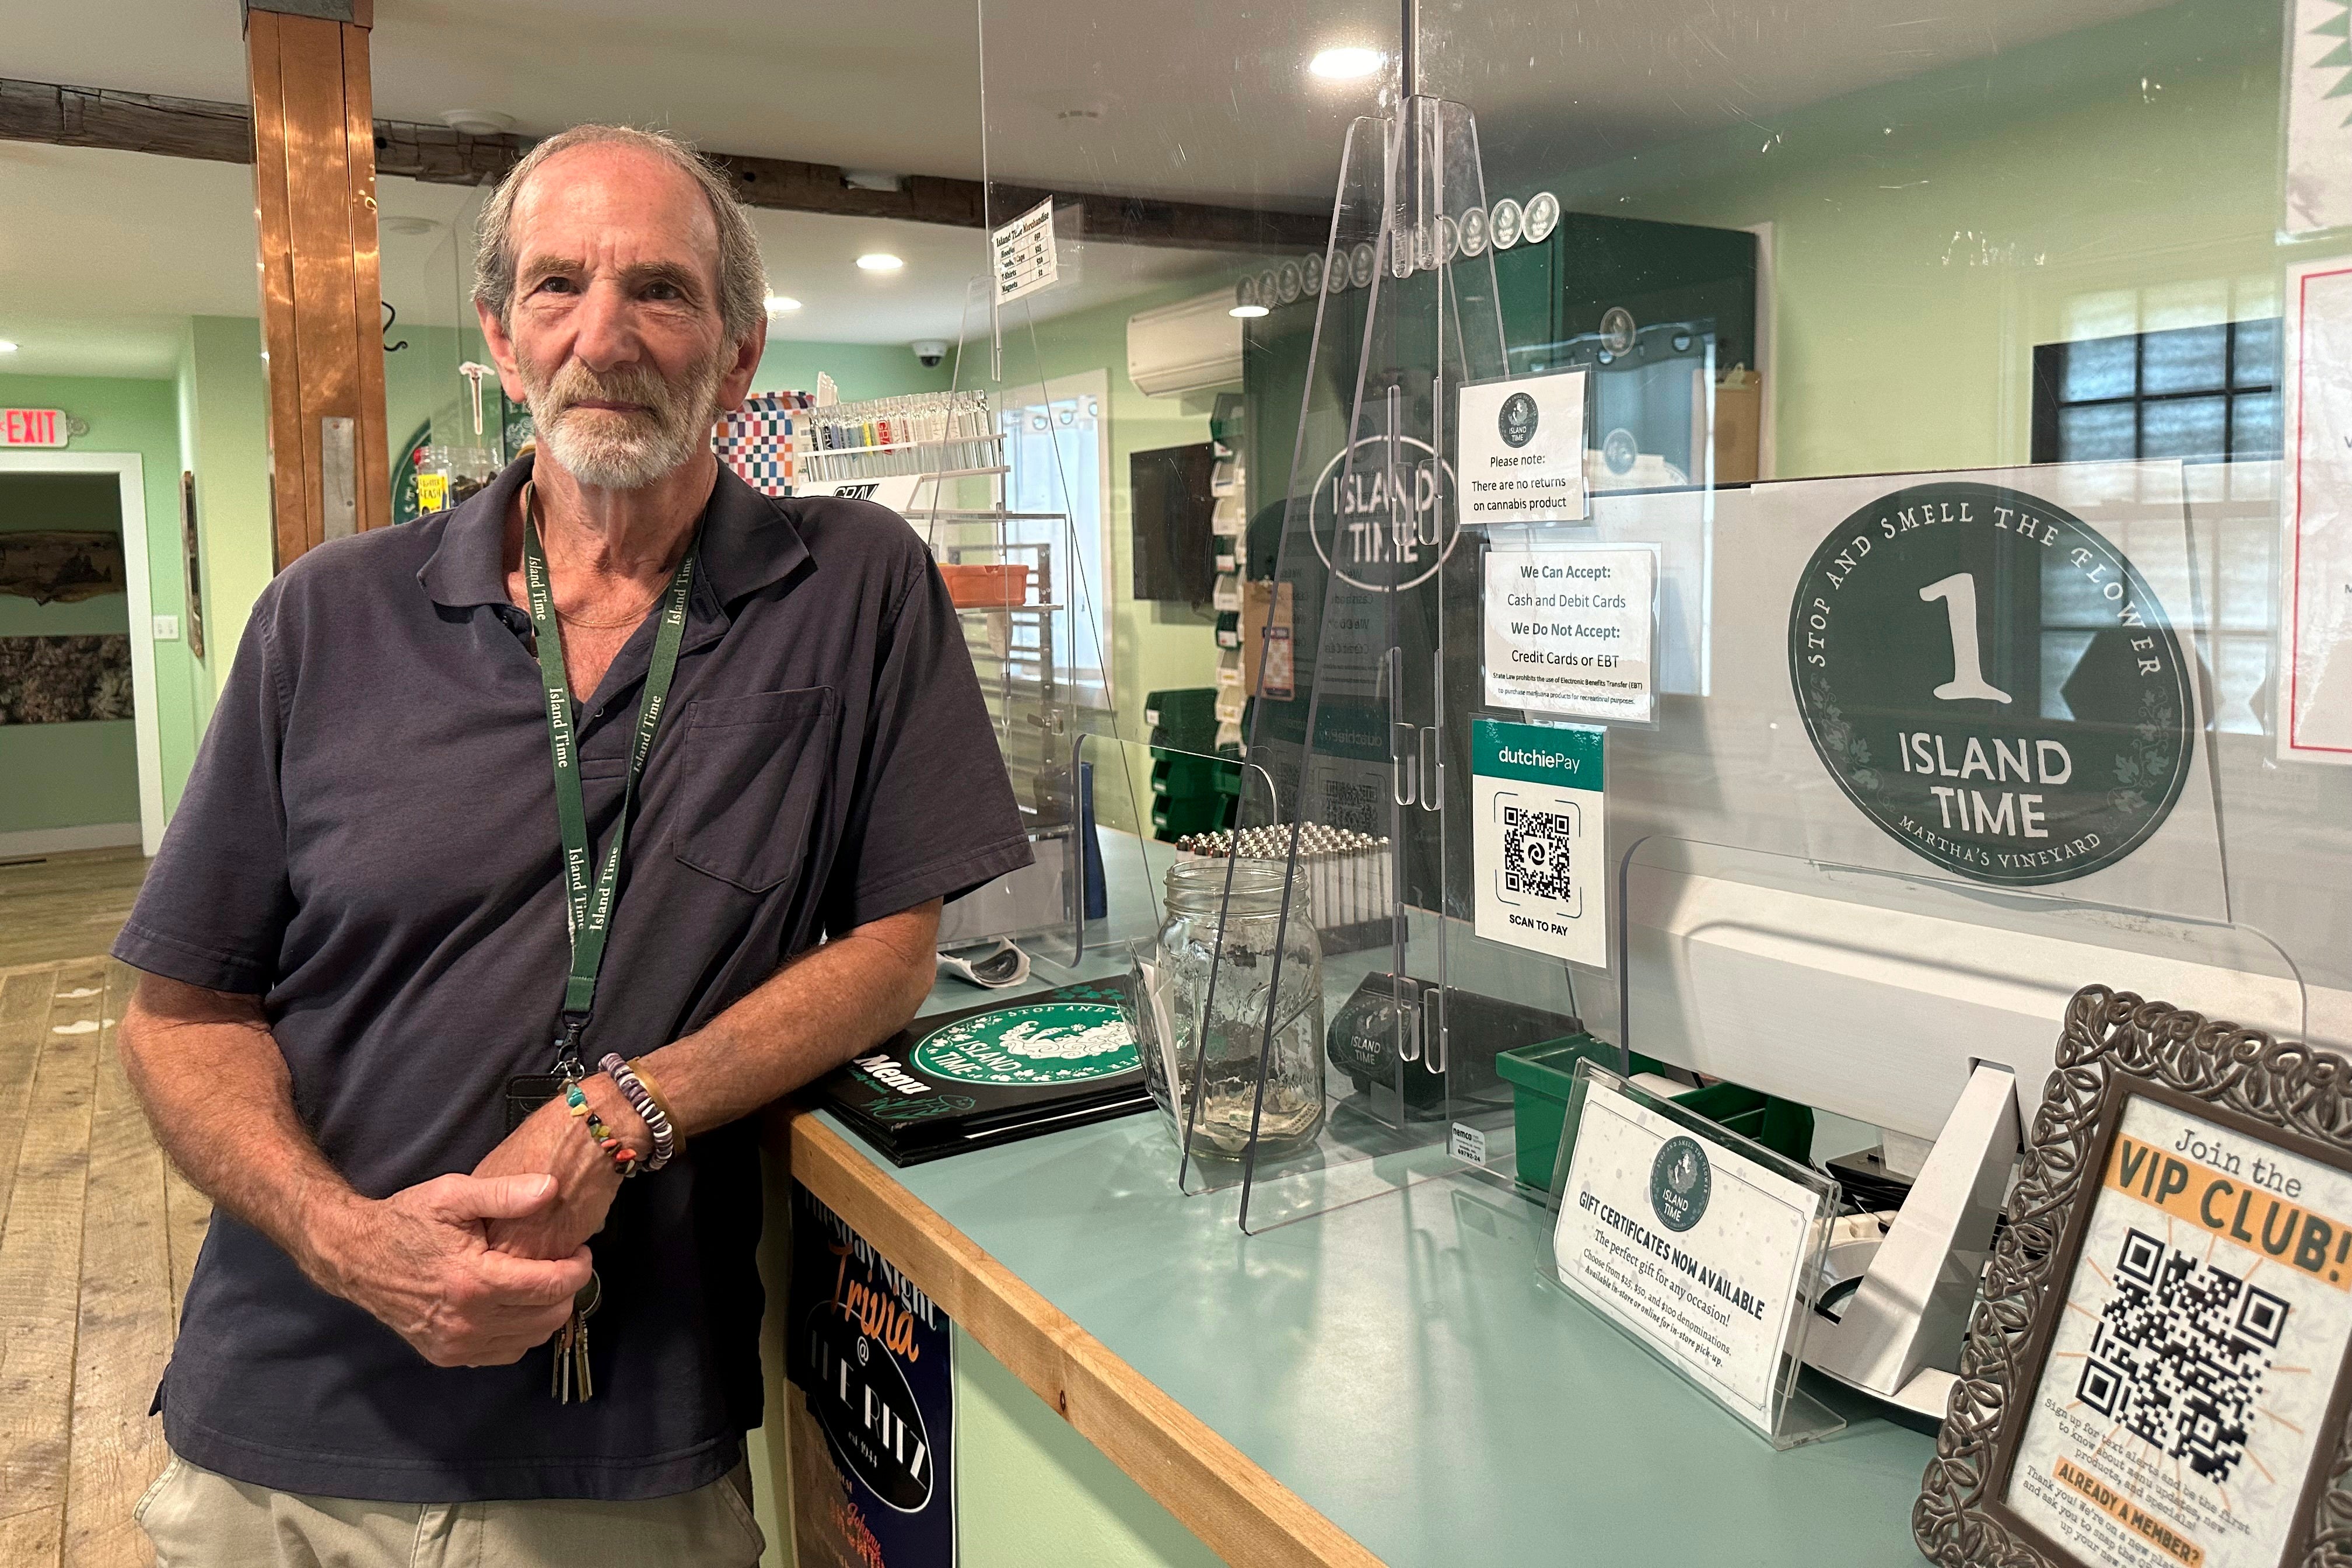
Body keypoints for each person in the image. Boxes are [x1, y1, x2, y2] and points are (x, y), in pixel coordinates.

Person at [113, 124, 1030, 1564]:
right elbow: (182, 1015)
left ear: (737, 353)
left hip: (622, 1441)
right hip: (284, 1424)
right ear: (500, 336)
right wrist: (348, 1242)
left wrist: (628, 1108)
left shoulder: (850, 589)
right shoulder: (326, 615)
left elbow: (891, 948)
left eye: (660, 291)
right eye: (557, 288)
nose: (604, 336)